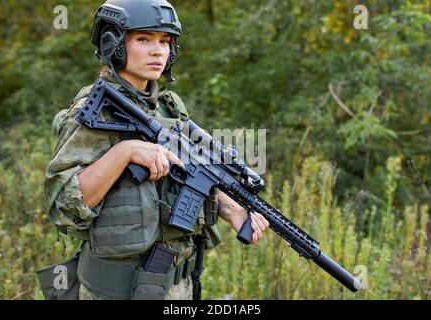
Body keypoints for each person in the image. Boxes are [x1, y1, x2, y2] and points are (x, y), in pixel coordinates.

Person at [44, 0, 269, 300]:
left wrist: (231, 208)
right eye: (143, 39)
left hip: (177, 287)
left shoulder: (169, 107)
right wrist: (125, 151)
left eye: (165, 41)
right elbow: (63, 205)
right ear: (114, 43)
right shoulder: (94, 109)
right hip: (115, 292)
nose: (157, 50)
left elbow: (190, 171)